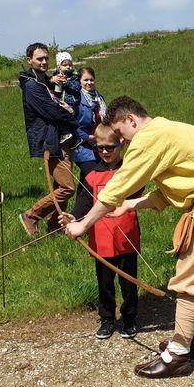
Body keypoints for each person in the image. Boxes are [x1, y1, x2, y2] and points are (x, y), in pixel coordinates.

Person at [64, 96, 194, 378]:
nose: (122, 141)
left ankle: (178, 354)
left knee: (190, 277)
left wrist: (83, 224)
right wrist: (130, 205)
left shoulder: (149, 137)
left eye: (119, 133)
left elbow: (119, 184)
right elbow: (175, 185)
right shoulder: (163, 131)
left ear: (130, 119)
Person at [63, 124, 140, 340]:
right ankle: (107, 319)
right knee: (104, 283)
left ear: (121, 144)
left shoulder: (129, 172)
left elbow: (137, 194)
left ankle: (129, 318)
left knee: (129, 282)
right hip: (101, 240)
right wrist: (73, 218)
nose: (105, 152)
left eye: (110, 147)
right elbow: (83, 205)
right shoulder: (91, 175)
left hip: (127, 236)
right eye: (100, 148)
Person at [18, 42, 77, 236]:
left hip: (61, 137)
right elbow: (51, 111)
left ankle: (55, 227)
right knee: (67, 187)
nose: (43, 62)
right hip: (48, 140)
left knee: (62, 185)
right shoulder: (31, 86)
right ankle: (31, 215)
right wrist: (70, 114)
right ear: (30, 60)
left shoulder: (45, 82)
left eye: (45, 58)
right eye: (39, 59)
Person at [71, 67, 107, 190]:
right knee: (95, 177)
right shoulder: (76, 99)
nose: (89, 83)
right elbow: (72, 124)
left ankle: (79, 209)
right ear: (79, 81)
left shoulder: (98, 97)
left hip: (98, 145)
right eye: (85, 80)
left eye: (91, 80)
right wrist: (86, 137)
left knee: (86, 183)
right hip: (81, 146)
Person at [51, 51, 82, 147]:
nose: (68, 67)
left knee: (67, 118)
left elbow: (77, 87)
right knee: (65, 119)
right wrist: (52, 80)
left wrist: (66, 82)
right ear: (59, 66)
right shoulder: (56, 74)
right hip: (61, 100)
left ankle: (69, 135)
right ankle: (73, 138)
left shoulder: (74, 76)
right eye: (64, 65)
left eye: (70, 64)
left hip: (71, 102)